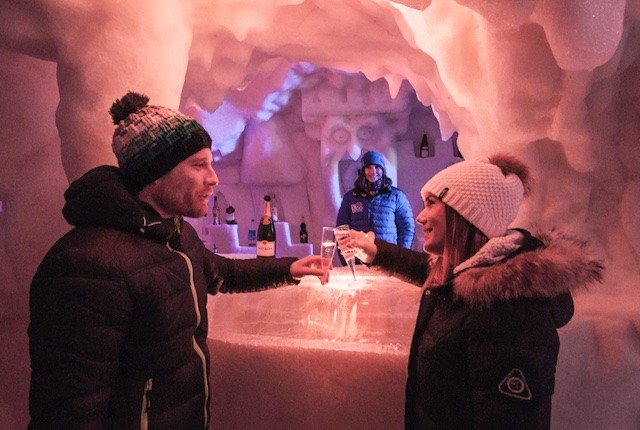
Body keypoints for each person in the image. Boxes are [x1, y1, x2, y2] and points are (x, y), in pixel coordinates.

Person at [27, 91, 328, 429]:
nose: (213, 178)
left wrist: (289, 269)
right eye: (199, 165)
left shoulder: (176, 235)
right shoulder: (87, 265)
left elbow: (219, 273)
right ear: (155, 173)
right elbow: (70, 410)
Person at [338, 154, 604, 429]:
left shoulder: (511, 314)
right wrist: (375, 252)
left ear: (463, 214)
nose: (420, 217)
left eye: (431, 203)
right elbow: (429, 271)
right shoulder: (476, 277)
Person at [336, 150, 414, 263]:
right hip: (359, 259)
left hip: (389, 259)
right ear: (363, 171)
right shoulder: (350, 198)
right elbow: (341, 230)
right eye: (368, 167)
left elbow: (407, 228)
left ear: (382, 169)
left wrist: (401, 256)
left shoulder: (396, 196)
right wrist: (346, 260)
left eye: (377, 167)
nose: (373, 172)